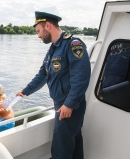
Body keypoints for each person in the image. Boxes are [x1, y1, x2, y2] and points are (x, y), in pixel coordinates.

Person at [16, 11, 91, 159]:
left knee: (60, 150)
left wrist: (69, 104)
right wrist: (25, 91)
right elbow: (42, 75)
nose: (38, 35)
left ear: (48, 26)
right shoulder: (53, 49)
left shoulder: (73, 44)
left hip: (68, 107)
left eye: (38, 31)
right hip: (62, 105)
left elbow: (81, 77)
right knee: (73, 142)